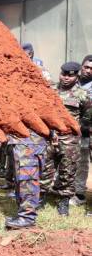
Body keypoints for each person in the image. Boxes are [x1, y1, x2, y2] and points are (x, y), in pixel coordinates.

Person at [47, 62, 91, 215]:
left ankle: (64, 201)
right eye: (63, 74)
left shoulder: (82, 94)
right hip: (49, 135)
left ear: (76, 75)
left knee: (67, 170)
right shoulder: (50, 90)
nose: (66, 78)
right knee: (45, 168)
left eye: (70, 75)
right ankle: (41, 197)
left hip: (69, 139)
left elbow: (87, 116)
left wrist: (78, 129)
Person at [5, 131, 47, 229]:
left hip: (30, 141)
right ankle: (23, 215)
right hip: (20, 140)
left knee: (28, 181)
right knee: (21, 180)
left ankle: (27, 218)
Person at [72, 54, 92, 207]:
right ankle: (63, 189)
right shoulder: (71, 81)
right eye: (86, 67)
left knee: (82, 162)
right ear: (81, 66)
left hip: (86, 131)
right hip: (68, 130)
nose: (88, 71)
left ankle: (79, 193)